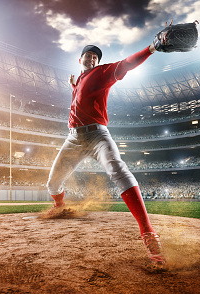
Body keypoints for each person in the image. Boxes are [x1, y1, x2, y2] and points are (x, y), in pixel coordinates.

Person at [46, 41, 165, 267]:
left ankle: (149, 234)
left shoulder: (101, 73)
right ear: (79, 59)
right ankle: (59, 205)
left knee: (118, 170)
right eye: (88, 55)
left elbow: (126, 64)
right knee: (52, 184)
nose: (91, 58)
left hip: (98, 136)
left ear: (97, 63)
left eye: (95, 57)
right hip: (73, 139)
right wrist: (73, 86)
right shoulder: (80, 80)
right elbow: (81, 98)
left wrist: (151, 48)